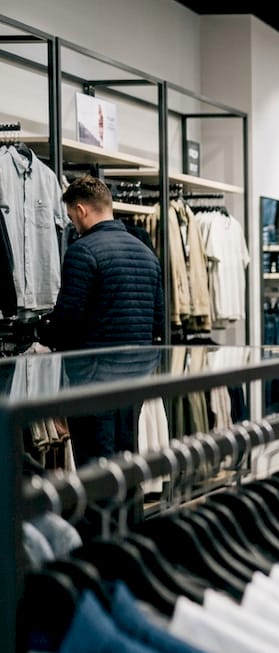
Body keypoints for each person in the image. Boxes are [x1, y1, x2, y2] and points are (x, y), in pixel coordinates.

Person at [42, 175, 163, 466]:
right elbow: (158, 323)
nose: (72, 223)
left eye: (71, 216)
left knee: (95, 467)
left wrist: (42, 332)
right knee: (126, 461)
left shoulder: (82, 251)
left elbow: (67, 322)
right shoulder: (146, 253)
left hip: (92, 380)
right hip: (135, 378)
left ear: (81, 209)